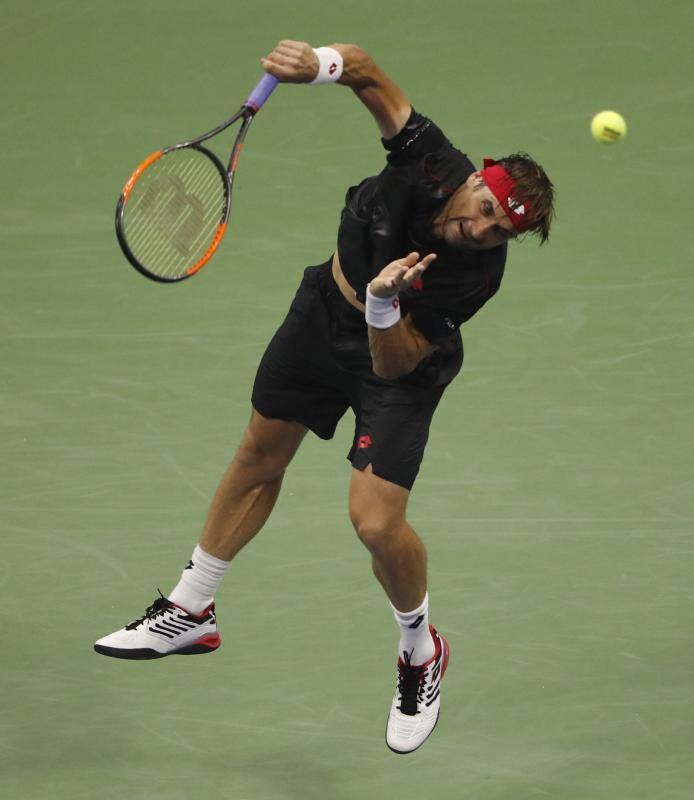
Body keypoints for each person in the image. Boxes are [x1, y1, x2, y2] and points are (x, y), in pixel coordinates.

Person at [95, 40, 555, 754]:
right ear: (474, 179)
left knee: (374, 523)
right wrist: (318, 64)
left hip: (399, 361)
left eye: (504, 229)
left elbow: (395, 363)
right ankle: (192, 608)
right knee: (259, 453)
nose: (485, 227)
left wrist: (382, 308)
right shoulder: (431, 159)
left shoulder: (474, 275)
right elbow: (366, 70)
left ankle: (420, 651)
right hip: (320, 314)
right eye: (488, 207)